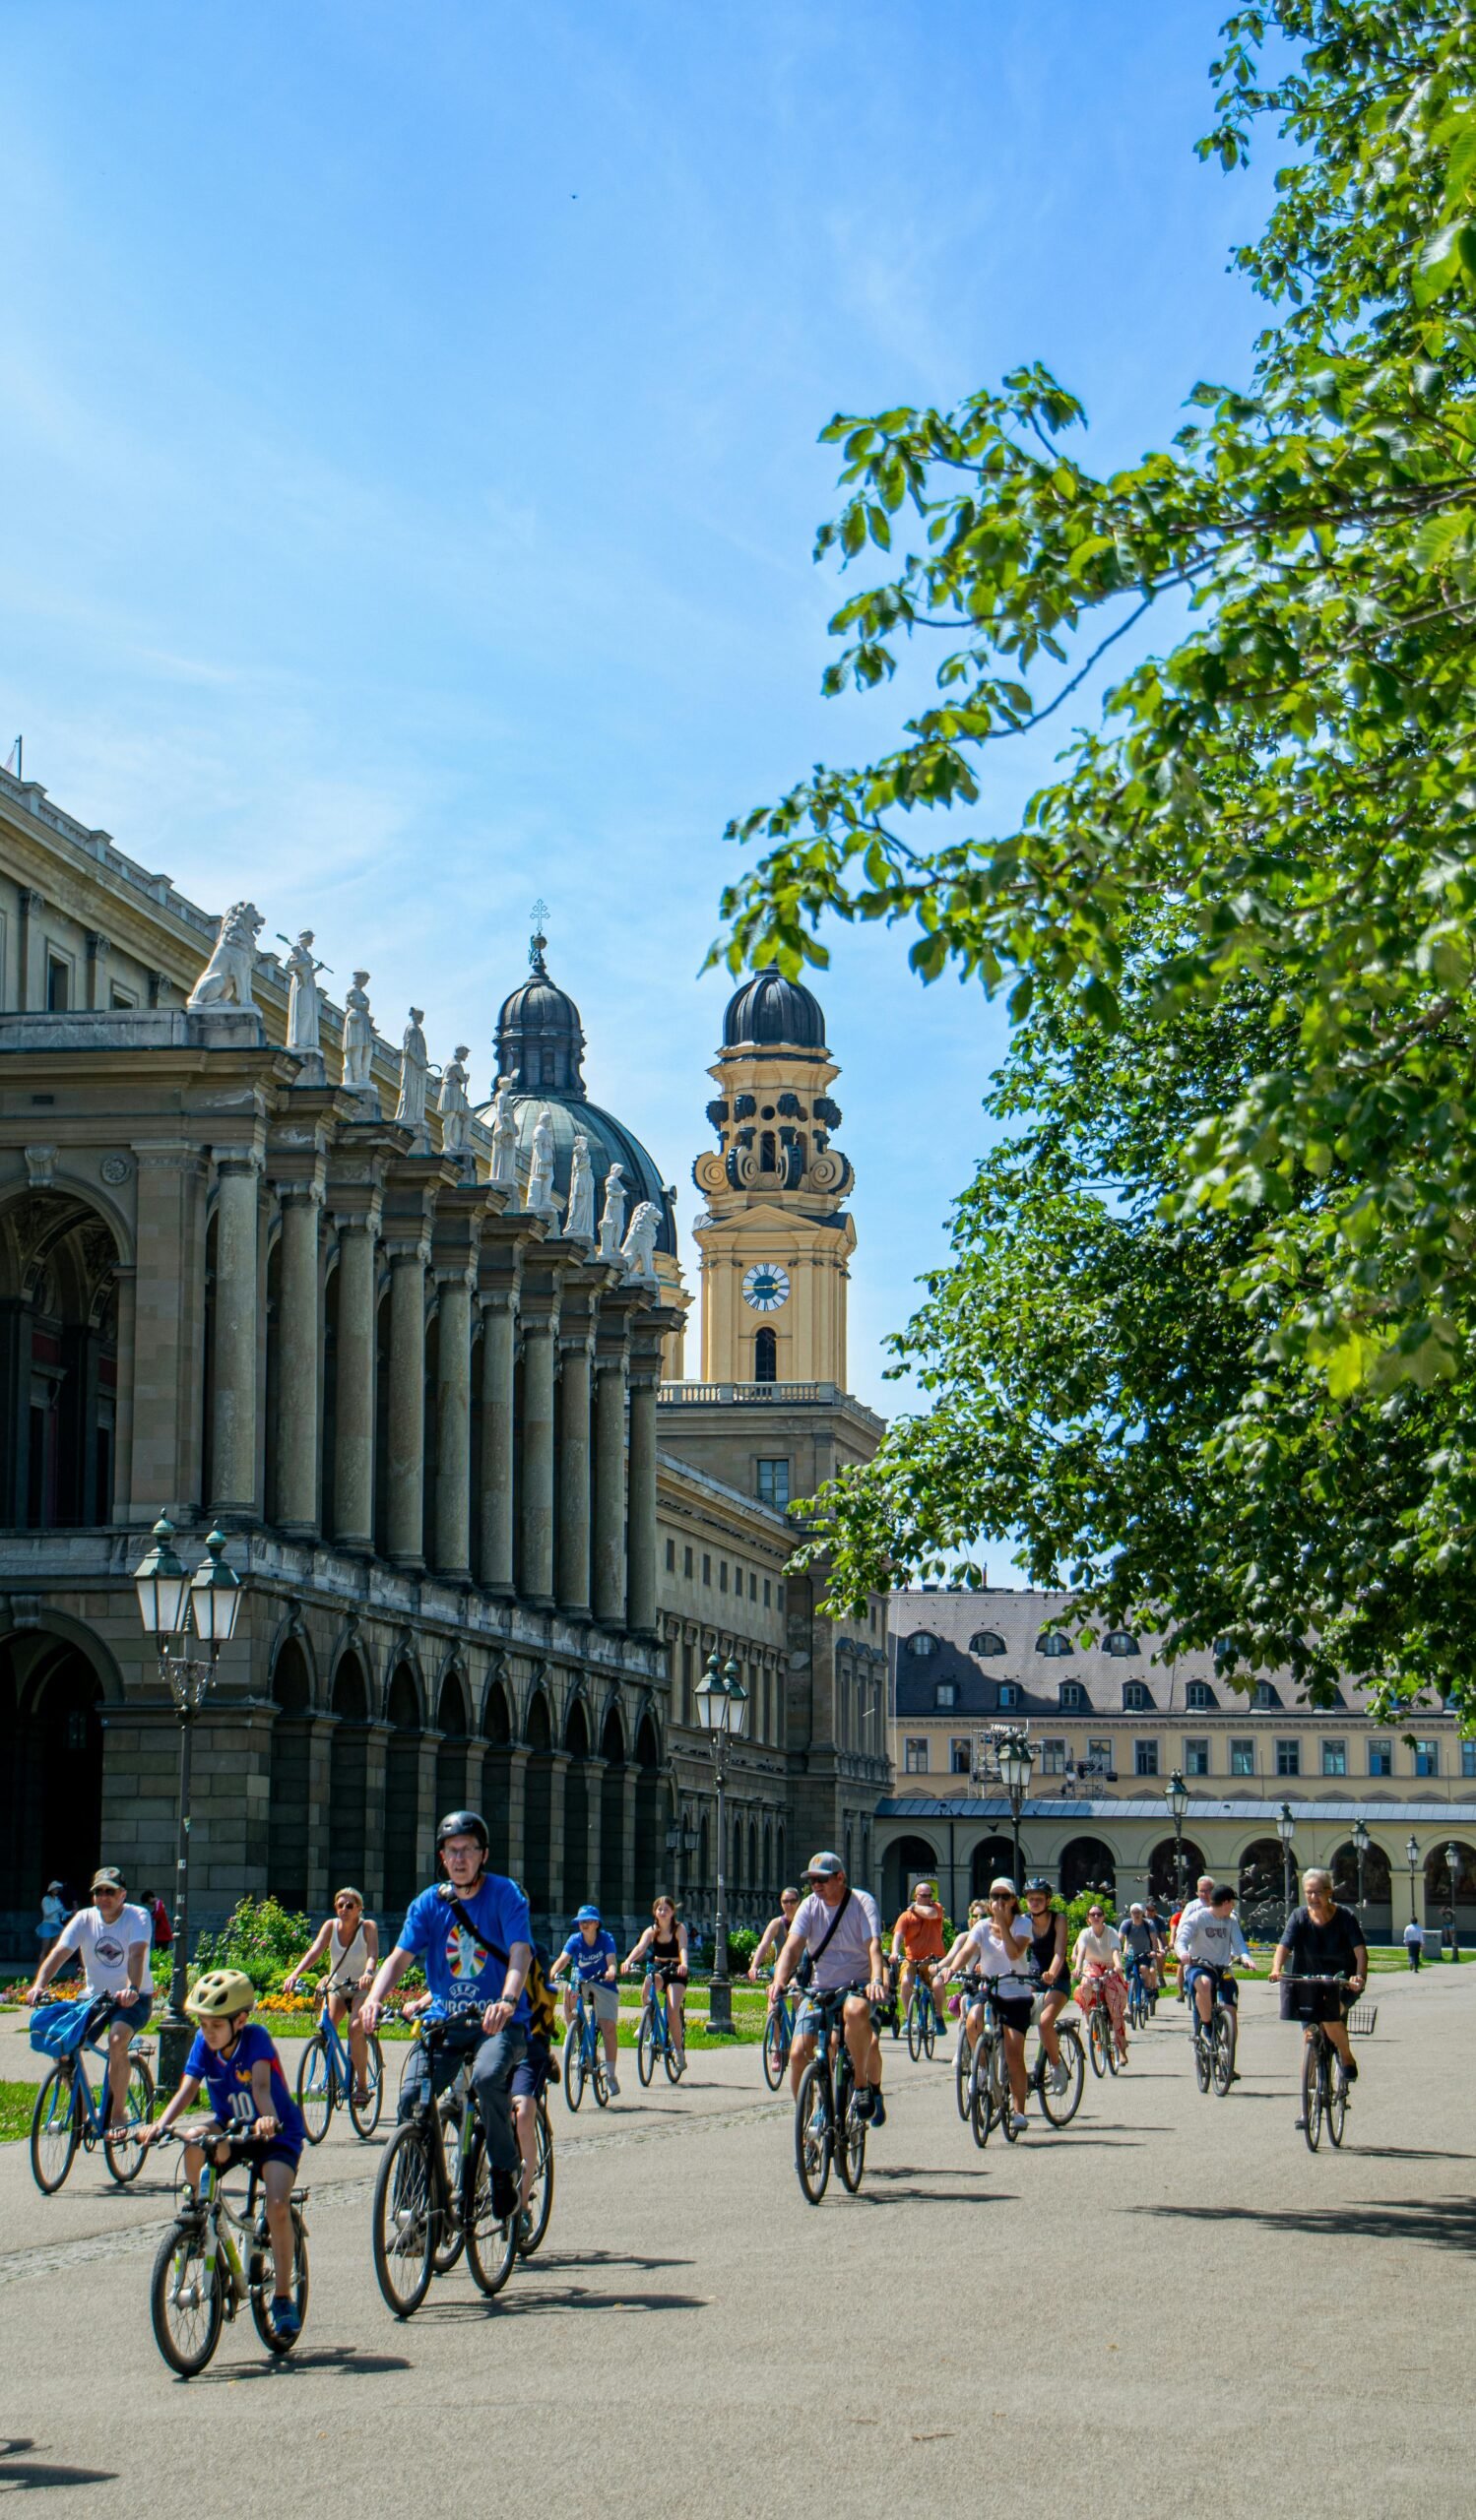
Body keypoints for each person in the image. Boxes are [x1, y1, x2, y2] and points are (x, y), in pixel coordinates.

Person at [361, 1810, 532, 2224]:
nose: (459, 1858)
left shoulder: (505, 1895)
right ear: (442, 1857)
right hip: (445, 2024)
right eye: (451, 1851)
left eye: (468, 1850)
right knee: (410, 2099)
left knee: (490, 2078)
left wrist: (507, 2000)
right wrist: (373, 1998)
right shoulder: (429, 1904)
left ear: (483, 1854)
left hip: (497, 2024)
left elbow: (519, 1953)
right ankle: (413, 2206)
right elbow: (399, 1957)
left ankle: (505, 2169)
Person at [138, 1967, 305, 2340]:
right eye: (202, 2024)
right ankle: (197, 2212)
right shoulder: (204, 2044)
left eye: (215, 2025)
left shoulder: (257, 2039)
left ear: (240, 2020)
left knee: (276, 2203)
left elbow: (261, 2086)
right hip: (231, 2126)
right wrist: (160, 2124)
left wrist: (267, 2120)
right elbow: (187, 2089)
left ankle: (281, 2297)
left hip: (275, 2132)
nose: (207, 2032)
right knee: (195, 2138)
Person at [26, 1865, 153, 2136]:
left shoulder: (137, 1916)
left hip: (134, 1998)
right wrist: (38, 1986)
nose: (104, 1897)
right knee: (61, 2045)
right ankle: (84, 2113)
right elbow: (60, 1952)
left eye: (110, 1891)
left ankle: (117, 2113)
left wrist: (132, 1988)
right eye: (99, 1892)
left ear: (122, 1894)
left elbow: (137, 1955)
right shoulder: (84, 1918)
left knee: (117, 2041)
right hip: (95, 1998)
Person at [769, 1853, 887, 2122]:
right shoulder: (809, 1906)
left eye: (821, 1880)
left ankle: (860, 2086)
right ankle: (807, 2118)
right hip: (819, 1989)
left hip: (855, 1986)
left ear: (840, 1877)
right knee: (798, 2053)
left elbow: (874, 1946)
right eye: (811, 1881)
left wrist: (877, 1981)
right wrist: (779, 1981)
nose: (816, 1886)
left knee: (856, 2012)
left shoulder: (861, 1902)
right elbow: (792, 1947)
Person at [936, 1879, 1039, 2131]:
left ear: (1014, 1900)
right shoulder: (981, 1927)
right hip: (990, 1988)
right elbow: (966, 1950)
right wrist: (951, 1968)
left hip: (1016, 1992)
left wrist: (1003, 1923)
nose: (1000, 1902)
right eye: (995, 1896)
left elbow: (1014, 1954)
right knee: (972, 2020)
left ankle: (1018, 2111)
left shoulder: (1024, 1924)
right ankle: (981, 2068)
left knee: (1014, 2053)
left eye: (1005, 1897)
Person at [1268, 1867, 1368, 2124]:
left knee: (1330, 2016)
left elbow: (1360, 1950)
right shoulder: (1299, 1917)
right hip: (1308, 1986)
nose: (1312, 1898)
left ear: (1329, 1892)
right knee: (1309, 2040)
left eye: (1317, 1892)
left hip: (1340, 1984)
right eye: (1308, 1893)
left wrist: (1359, 1977)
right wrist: (1276, 1968)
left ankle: (1346, 2056)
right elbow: (1285, 1944)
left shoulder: (1344, 1917)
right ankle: (1307, 2106)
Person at [281, 1888, 381, 2104]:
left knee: (355, 2028)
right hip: (337, 1985)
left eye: (349, 1905)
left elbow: (372, 1955)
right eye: (340, 1905)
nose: (344, 1909)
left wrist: (368, 1973)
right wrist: (294, 1974)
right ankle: (333, 2077)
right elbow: (315, 1951)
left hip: (361, 1986)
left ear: (359, 1909)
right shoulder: (330, 1926)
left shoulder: (368, 1927)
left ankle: (362, 2086)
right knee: (327, 2025)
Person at [1175, 1885, 1251, 2075]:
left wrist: (1245, 1957)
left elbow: (1239, 1943)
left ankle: (1227, 2058)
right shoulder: (1198, 1918)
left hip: (1222, 1967)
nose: (1233, 1906)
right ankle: (1207, 2028)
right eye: (1232, 1902)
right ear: (1225, 1903)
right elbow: (1181, 1939)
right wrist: (1183, 1953)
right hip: (1199, 1965)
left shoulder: (1230, 1921)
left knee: (1231, 2012)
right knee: (1204, 1984)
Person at [550, 1904, 620, 2096]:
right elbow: (563, 1959)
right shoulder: (575, 1940)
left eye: (588, 1921)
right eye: (581, 1921)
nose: (584, 1924)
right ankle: (571, 2030)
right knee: (570, 1989)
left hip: (603, 1983)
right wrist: (554, 1971)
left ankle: (611, 2076)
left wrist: (611, 1972)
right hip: (582, 1981)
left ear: (597, 1923)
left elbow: (611, 1961)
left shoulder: (606, 1939)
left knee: (608, 2027)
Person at [622, 1897, 690, 2071]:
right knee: (648, 1984)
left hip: (676, 1970)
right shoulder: (652, 1931)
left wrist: (684, 1964)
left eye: (666, 1909)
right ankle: (647, 2021)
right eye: (659, 1909)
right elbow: (641, 1947)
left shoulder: (679, 1929)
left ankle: (678, 2051)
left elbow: (682, 1947)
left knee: (673, 2008)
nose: (663, 1912)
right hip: (659, 1967)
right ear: (655, 1912)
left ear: (673, 1912)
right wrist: (628, 1961)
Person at [1020, 1878, 1072, 2088]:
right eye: (1030, 1899)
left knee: (1044, 2021)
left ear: (1048, 1900)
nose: (1034, 1902)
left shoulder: (1058, 1920)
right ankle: (1016, 2070)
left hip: (1057, 1977)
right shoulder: (1023, 1921)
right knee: (1015, 2019)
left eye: (1039, 1899)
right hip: (1033, 1975)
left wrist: (1051, 1972)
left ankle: (1057, 2065)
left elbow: (1060, 1952)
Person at [1072, 1901, 1129, 2063]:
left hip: (1109, 1966)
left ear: (1103, 1917)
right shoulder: (1085, 1933)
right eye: (1092, 1914)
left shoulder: (1110, 1931)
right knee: (1086, 1984)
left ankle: (1122, 2051)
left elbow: (1115, 1951)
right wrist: (1077, 1968)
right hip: (1092, 1965)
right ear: (1088, 1918)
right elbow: (1081, 1951)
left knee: (1115, 2007)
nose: (1096, 1917)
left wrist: (1118, 1965)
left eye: (1099, 1914)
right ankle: (1089, 2016)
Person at [890, 1880, 949, 2036]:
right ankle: (909, 2019)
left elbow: (930, 1914)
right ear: (916, 1896)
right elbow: (898, 1936)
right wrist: (895, 1952)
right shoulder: (906, 1916)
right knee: (905, 1983)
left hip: (933, 1960)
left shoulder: (936, 1907)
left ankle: (938, 2016)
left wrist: (914, 1906)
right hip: (912, 1960)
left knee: (937, 1984)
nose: (928, 1899)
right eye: (924, 1896)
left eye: (930, 1895)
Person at [748, 1887, 802, 1981]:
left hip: (800, 1969)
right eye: (785, 1901)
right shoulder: (776, 1923)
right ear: (781, 1903)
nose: (789, 1905)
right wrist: (754, 1967)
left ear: (799, 1902)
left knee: (796, 1983)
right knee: (778, 1987)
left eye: (793, 1901)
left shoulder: (805, 1922)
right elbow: (764, 1946)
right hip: (780, 1967)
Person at [1122, 1902, 1164, 2008]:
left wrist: (1154, 1951)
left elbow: (1154, 1939)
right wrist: (1118, 1951)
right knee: (1128, 1975)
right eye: (1134, 1912)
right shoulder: (1126, 1924)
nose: (1136, 1914)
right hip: (1131, 1953)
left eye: (1138, 1912)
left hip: (1144, 1952)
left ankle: (1147, 1988)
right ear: (1131, 1913)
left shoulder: (1148, 1924)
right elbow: (1120, 1938)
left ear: (1142, 1913)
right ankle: (1131, 1995)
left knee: (1144, 1968)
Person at [35, 1881, 68, 1961]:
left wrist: (71, 1912)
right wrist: (57, 1909)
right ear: (51, 1889)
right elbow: (47, 1913)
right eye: (56, 1888)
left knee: (54, 1949)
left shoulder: (57, 1899)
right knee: (45, 1950)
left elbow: (62, 1913)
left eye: (58, 1888)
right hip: (47, 1925)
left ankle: (50, 1968)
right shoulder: (45, 1899)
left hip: (57, 1926)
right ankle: (41, 1968)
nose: (57, 1890)